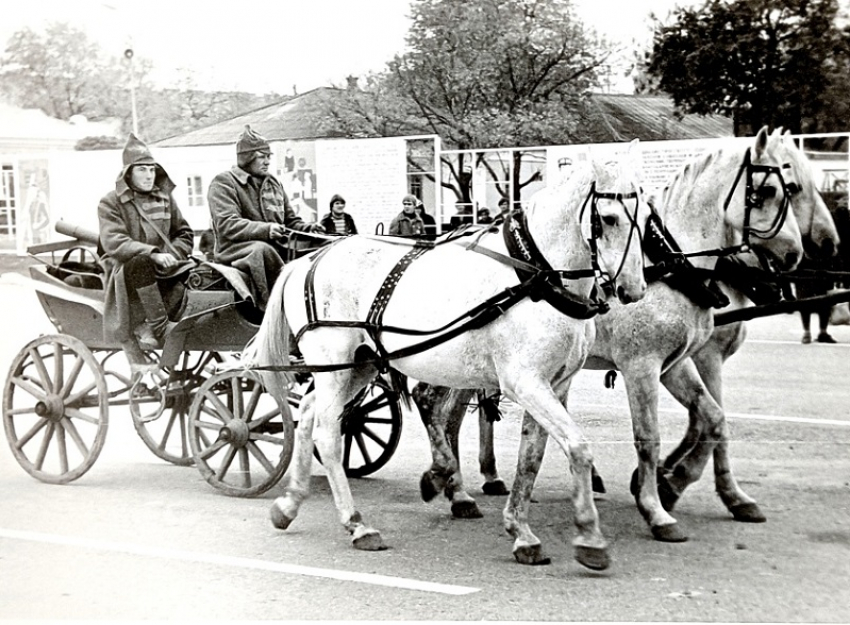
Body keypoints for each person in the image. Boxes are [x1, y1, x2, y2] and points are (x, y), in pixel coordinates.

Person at [98, 133, 194, 367]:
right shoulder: (110, 202)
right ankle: (158, 327)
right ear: (128, 173)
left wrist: (173, 255)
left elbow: (184, 233)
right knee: (140, 263)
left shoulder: (165, 199)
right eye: (142, 169)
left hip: (167, 266)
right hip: (127, 270)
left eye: (152, 169)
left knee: (202, 272)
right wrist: (153, 254)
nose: (149, 175)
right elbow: (115, 242)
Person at [207, 125, 324, 311]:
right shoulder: (224, 182)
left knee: (320, 250)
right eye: (262, 156)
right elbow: (227, 224)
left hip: (277, 247)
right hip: (235, 249)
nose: (268, 161)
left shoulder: (273, 183)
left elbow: (290, 221)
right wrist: (267, 230)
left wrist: (310, 229)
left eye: (269, 156)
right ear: (247, 158)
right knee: (262, 250)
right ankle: (274, 309)